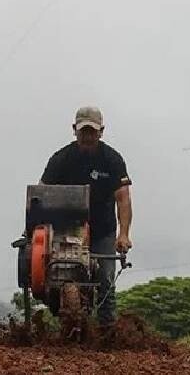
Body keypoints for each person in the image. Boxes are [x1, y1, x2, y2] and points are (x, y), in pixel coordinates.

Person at [40, 106, 133, 329]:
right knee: (57, 274)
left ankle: (108, 330)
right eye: (84, 132)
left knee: (106, 280)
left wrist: (124, 234)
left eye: (92, 132)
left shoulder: (112, 160)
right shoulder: (61, 159)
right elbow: (41, 194)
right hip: (67, 230)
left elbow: (123, 198)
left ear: (101, 132)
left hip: (102, 230)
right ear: (75, 130)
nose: (88, 137)